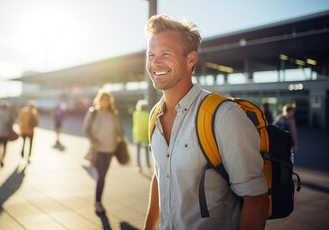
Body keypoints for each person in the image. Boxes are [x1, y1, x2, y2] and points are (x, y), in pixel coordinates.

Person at [143, 15, 268, 230]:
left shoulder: (223, 116)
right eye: (151, 55)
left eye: (165, 54)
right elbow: (161, 174)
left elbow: (256, 200)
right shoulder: (155, 115)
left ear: (191, 59)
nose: (155, 63)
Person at [83, 89, 124, 215]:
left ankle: (98, 199)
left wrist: (121, 136)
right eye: (102, 99)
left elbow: (120, 130)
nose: (105, 102)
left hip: (111, 149)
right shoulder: (93, 112)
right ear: (99, 100)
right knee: (101, 176)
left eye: (107, 99)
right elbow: (86, 129)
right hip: (99, 149)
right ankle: (98, 202)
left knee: (103, 175)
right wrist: (93, 141)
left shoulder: (114, 114)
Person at [132, 99, 151, 172]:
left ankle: (138, 166)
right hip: (145, 135)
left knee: (138, 151)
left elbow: (135, 125)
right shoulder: (148, 114)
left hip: (137, 135)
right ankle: (148, 164)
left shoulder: (135, 114)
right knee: (146, 150)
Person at [0, 102, 14, 167]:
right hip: (6, 133)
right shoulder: (9, 114)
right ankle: (2, 159)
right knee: (5, 147)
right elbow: (11, 124)